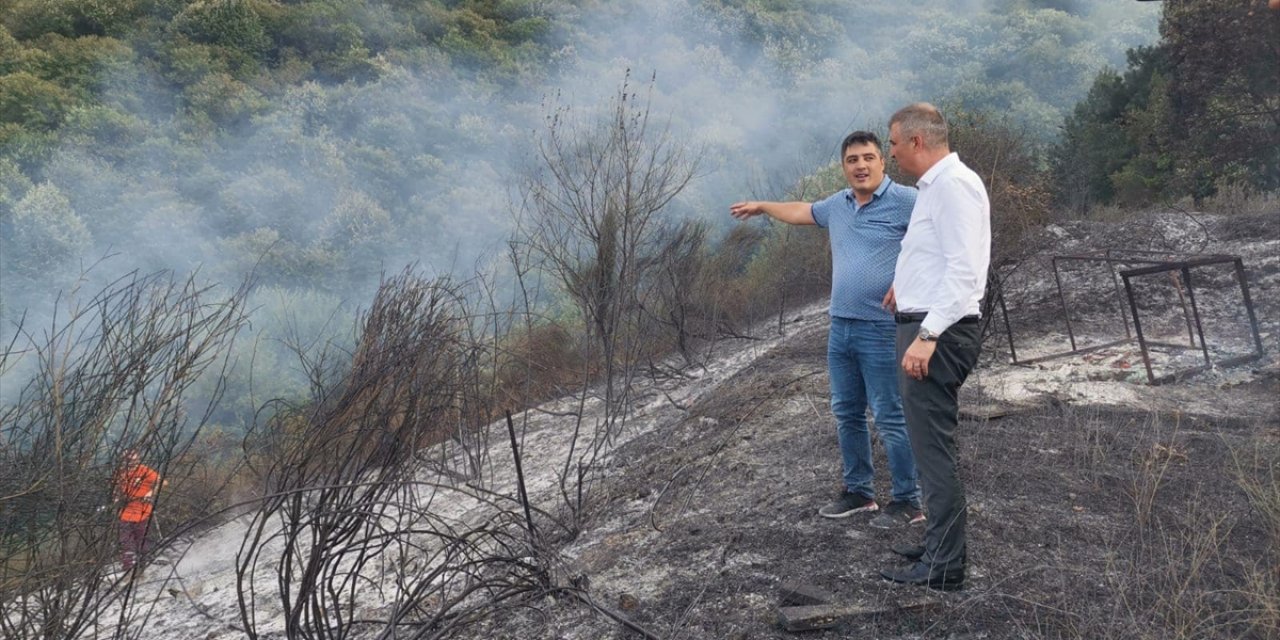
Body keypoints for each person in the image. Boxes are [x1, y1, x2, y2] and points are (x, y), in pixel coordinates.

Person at [730, 131, 924, 529]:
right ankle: (859, 492)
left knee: (889, 415)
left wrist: (911, 279)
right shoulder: (839, 204)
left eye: (869, 157)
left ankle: (909, 501)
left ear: (883, 162)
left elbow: (943, 243)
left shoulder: (909, 201)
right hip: (841, 327)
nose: (861, 166)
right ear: (844, 166)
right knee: (846, 412)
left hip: (883, 328)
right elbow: (803, 211)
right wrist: (764, 206)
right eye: (853, 159)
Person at [879, 103, 990, 591]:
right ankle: (939, 544)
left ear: (917, 142)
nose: (891, 151)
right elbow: (937, 256)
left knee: (933, 450)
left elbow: (966, 270)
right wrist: (906, 283)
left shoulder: (953, 185)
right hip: (926, 321)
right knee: (928, 449)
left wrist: (927, 336)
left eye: (894, 142)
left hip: (938, 333)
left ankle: (945, 566)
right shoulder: (936, 187)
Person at [115, 449, 161, 574]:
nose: (131, 463)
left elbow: (160, 481)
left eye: (133, 461)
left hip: (143, 512)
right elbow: (116, 489)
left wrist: (151, 492)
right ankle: (128, 569)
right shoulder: (120, 474)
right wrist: (117, 498)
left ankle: (142, 568)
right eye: (128, 461)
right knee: (126, 541)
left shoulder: (145, 471)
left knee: (142, 541)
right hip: (125, 513)